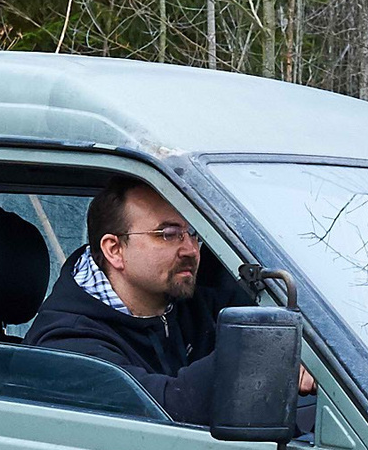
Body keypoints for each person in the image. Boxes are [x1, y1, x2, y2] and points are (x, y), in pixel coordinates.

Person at [25, 181, 312, 424]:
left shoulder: (191, 300)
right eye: (168, 234)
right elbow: (167, 409)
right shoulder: (66, 345)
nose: (190, 249)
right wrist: (259, 354)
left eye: (194, 234)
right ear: (114, 250)